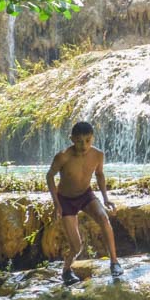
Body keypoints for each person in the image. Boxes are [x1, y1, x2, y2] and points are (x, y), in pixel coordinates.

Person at [46, 121, 124, 285]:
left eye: (88, 140)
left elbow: (100, 174)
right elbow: (50, 176)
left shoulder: (98, 155)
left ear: (93, 138)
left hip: (86, 195)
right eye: (80, 141)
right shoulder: (63, 156)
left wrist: (105, 198)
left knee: (103, 218)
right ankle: (67, 270)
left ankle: (114, 262)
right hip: (66, 200)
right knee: (77, 246)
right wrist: (56, 204)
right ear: (72, 139)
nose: (84, 145)